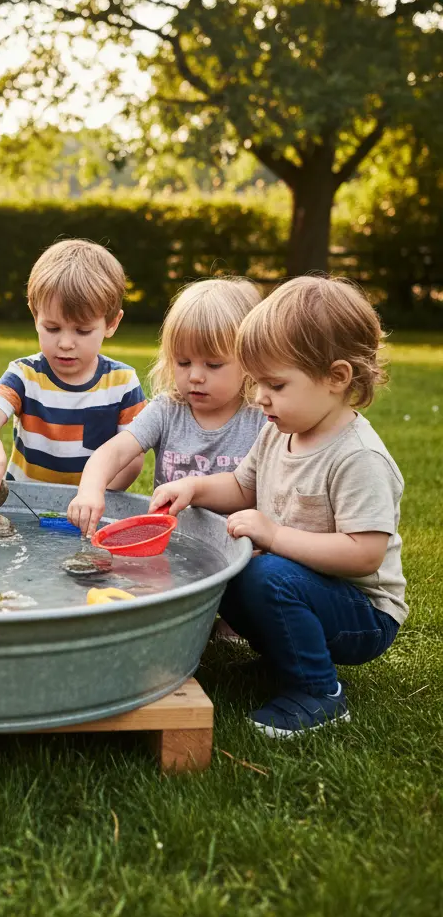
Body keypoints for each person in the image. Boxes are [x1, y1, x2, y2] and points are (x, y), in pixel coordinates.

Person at [152, 276, 406, 737]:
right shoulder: (279, 430)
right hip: (306, 588)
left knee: (267, 573)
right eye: (257, 382)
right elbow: (239, 485)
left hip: (362, 612)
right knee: (228, 573)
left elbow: (365, 553)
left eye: (275, 383)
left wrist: (274, 535)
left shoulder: (357, 457)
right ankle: (286, 660)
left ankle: (318, 693)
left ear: (336, 377)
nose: (259, 397)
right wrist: (192, 487)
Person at [67, 277, 264, 533]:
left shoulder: (260, 419)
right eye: (183, 362)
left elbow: (260, 489)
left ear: (249, 361)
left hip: (237, 546)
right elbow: (113, 452)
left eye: (213, 365)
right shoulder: (167, 410)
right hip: (171, 541)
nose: (195, 376)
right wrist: (90, 489)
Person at [0, 238, 145, 497]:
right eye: (52, 328)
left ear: (111, 324)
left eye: (82, 331)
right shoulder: (25, 375)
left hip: (89, 505)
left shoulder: (122, 383)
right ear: (34, 315)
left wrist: (93, 495)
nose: (65, 343)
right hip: (27, 506)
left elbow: (131, 458)